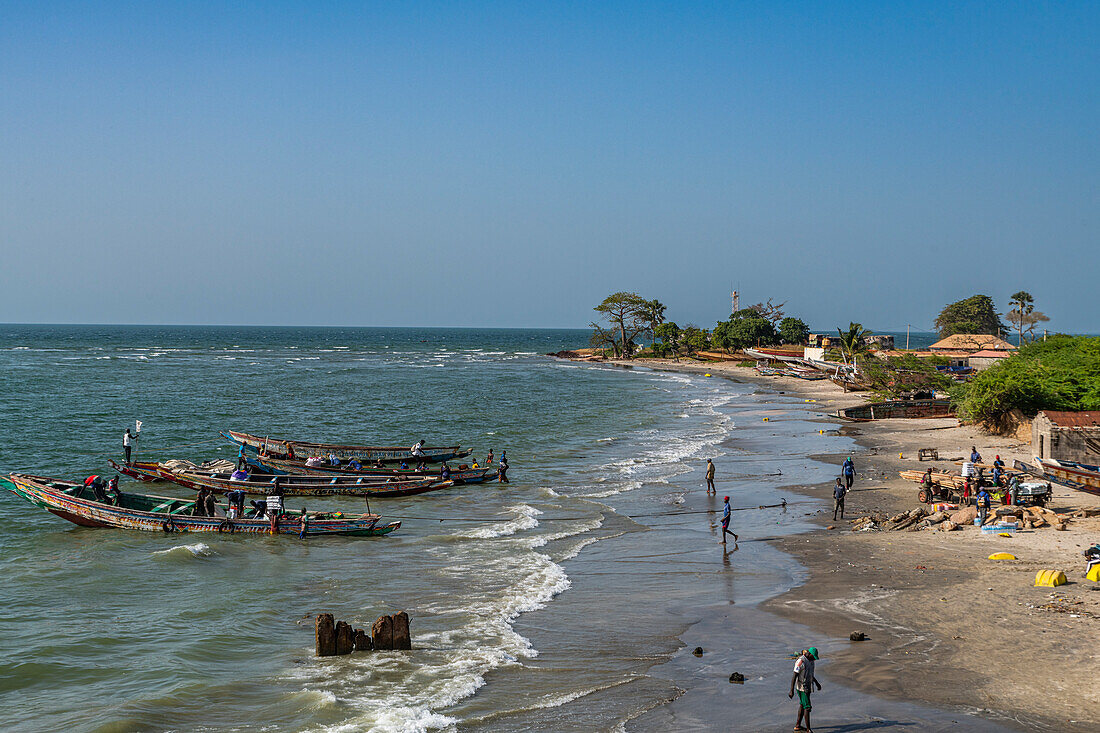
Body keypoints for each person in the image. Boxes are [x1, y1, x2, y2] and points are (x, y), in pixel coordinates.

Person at [789, 647, 822, 732]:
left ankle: (798, 726)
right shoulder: (800, 661)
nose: (814, 659)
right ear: (809, 654)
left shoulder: (811, 661)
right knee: (807, 707)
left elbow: (810, 674)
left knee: (802, 705)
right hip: (802, 687)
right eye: (813, 657)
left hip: (808, 686)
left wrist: (817, 683)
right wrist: (791, 690)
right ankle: (808, 729)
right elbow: (794, 676)